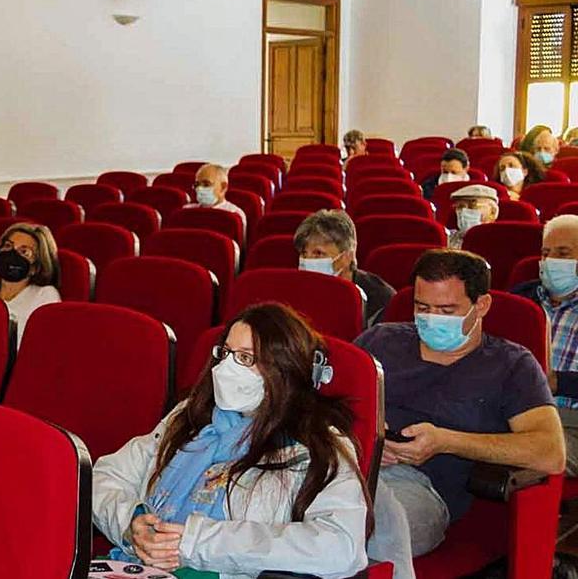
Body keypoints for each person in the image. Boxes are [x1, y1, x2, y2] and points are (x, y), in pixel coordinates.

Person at [92, 303, 369, 577]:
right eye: (225, 353)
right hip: (134, 567)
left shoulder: (317, 445)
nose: (226, 367)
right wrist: (131, 523)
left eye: (246, 358)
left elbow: (340, 546)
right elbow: (102, 477)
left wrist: (200, 543)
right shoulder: (190, 418)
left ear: (285, 371)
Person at [356, 249, 563, 559]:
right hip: (347, 466)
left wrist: (446, 441)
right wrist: (364, 433)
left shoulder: (511, 364)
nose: (431, 318)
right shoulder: (381, 340)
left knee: (363, 533)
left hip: (419, 489)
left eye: (446, 310)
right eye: (422, 308)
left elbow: (550, 453)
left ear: (481, 305)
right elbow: (319, 400)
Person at [511, 214, 578, 475]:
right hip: (514, 414)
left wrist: (557, 382)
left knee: (518, 458)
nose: (551, 262)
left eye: (563, 253)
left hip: (571, 423)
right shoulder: (520, 299)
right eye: (546, 253)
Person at [294, 209, 394, 327]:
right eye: (304, 253)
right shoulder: (295, 290)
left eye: (318, 253)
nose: (307, 260)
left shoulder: (380, 300)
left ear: (347, 256)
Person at [0, 223, 61, 346]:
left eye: (24, 251)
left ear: (36, 267)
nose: (12, 254)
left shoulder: (45, 295)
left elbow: (41, 345)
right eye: (8, 246)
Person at [184, 163, 247, 233]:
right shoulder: (186, 211)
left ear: (223, 187)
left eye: (206, 184)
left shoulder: (234, 215)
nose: (199, 188)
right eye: (197, 184)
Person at [446, 184, 498, 249]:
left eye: (473, 206)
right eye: (460, 207)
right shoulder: (447, 238)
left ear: (492, 212)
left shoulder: (499, 239)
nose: (464, 211)